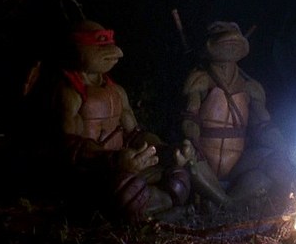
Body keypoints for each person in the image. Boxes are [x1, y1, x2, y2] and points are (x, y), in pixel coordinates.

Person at [51, 19, 194, 223]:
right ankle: (157, 213)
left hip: (126, 165)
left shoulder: (117, 91)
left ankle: (155, 211)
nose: (114, 53)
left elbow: (135, 134)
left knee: (177, 173)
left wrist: (164, 150)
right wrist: (112, 160)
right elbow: (69, 145)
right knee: (126, 190)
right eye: (100, 46)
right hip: (92, 173)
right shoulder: (68, 93)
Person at [181, 21, 296, 213]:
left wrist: (285, 148)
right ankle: (227, 203)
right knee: (188, 159)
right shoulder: (199, 81)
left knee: (275, 160)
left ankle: (222, 201)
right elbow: (189, 118)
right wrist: (192, 142)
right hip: (205, 160)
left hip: (238, 165)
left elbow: (264, 126)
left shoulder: (252, 88)